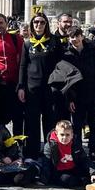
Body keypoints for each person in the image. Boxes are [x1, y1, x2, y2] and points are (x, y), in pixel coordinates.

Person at [57, 26, 95, 167]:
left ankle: (93, 153)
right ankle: (78, 152)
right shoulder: (66, 54)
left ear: (82, 36)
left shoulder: (93, 51)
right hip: (77, 97)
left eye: (77, 36)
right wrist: (69, 99)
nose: (75, 39)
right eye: (72, 37)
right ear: (69, 38)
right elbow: (64, 80)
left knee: (94, 127)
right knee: (77, 127)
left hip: (94, 95)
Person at [18, 12, 62, 159]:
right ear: (32, 25)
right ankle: (32, 154)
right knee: (31, 123)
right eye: (36, 22)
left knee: (50, 121)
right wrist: (21, 87)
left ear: (46, 24)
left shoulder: (54, 41)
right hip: (32, 89)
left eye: (42, 22)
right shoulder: (27, 43)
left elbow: (60, 64)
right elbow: (23, 66)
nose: (39, 25)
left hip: (50, 88)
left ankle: (50, 154)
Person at [41, 120, 95, 190]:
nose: (65, 137)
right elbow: (46, 163)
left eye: (67, 135)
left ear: (72, 135)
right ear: (56, 134)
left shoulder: (75, 144)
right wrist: (44, 179)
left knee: (92, 169)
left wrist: (94, 173)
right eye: (62, 134)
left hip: (73, 168)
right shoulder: (50, 146)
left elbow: (84, 159)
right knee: (67, 180)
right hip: (58, 171)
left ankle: (94, 183)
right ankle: (84, 181)